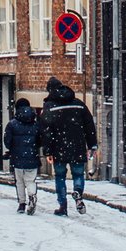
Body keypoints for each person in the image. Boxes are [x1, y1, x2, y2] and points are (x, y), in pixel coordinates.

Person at [39, 74, 97, 217]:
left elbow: (46, 131)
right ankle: (78, 192)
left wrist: (47, 151)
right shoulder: (78, 104)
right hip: (77, 145)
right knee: (78, 173)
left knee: (60, 176)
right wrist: (92, 145)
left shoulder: (49, 107)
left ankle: (62, 205)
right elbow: (89, 125)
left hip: (58, 148)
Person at [2, 97, 42, 214]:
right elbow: (40, 140)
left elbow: (7, 141)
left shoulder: (12, 124)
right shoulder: (35, 124)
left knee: (19, 181)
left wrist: (12, 148)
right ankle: (32, 195)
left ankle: (21, 203)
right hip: (32, 156)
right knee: (30, 180)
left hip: (17, 156)